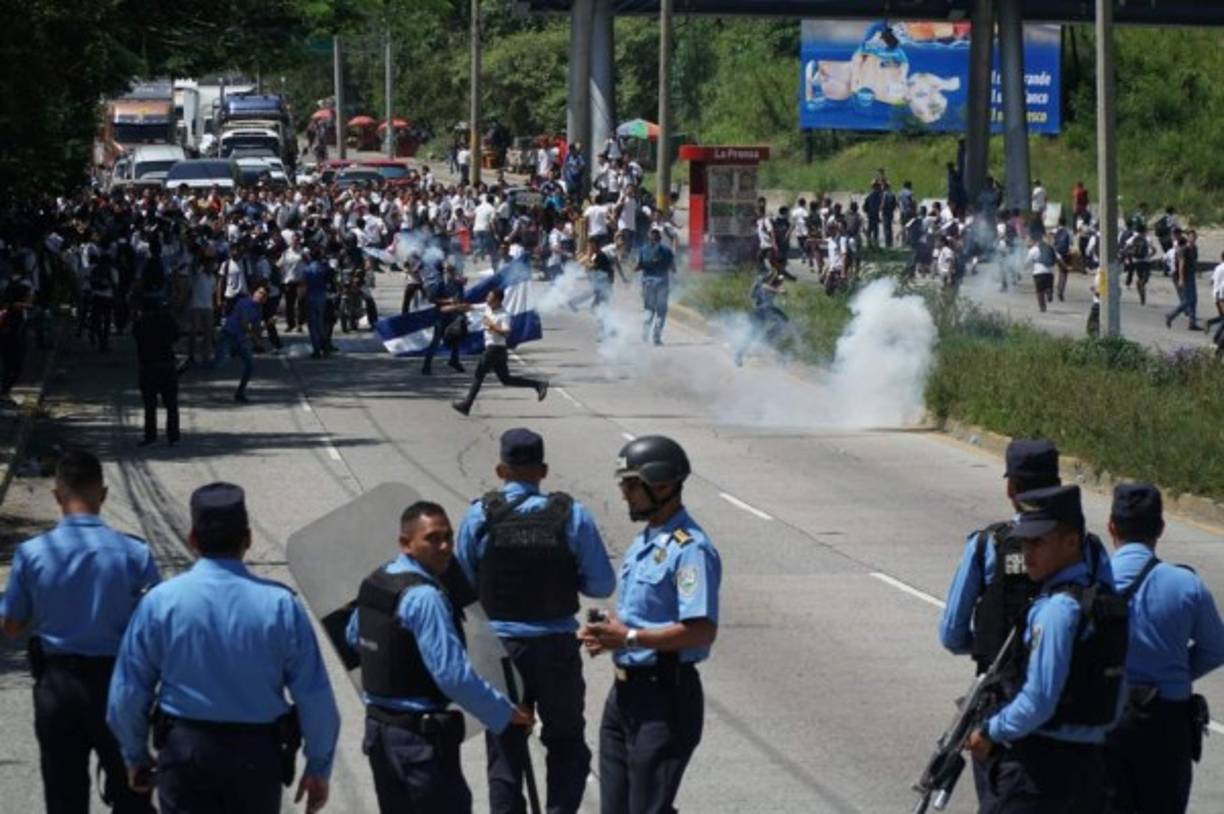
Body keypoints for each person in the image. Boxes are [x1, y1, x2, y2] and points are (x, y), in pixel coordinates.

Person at [107, 482, 339, 814]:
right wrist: (318, 767)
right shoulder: (280, 606)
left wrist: (135, 755)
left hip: (185, 756)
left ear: (192, 540)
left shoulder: (160, 603)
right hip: (256, 760)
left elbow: (127, 692)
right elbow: (315, 697)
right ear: (248, 539)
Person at [455, 428, 615, 814]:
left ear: (500, 469)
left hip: (501, 653)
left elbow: (462, 586)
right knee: (566, 744)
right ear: (543, 470)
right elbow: (602, 583)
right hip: (556, 650)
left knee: (505, 750)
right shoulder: (571, 515)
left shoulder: (480, 515)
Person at [347, 500, 535, 813]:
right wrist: (505, 713)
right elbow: (453, 676)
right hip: (418, 744)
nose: (445, 546)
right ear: (406, 544)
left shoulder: (377, 582)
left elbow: (355, 637)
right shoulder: (425, 597)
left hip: (381, 734)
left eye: (448, 536)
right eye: (433, 538)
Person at [0, 448, 159, 814]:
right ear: (102, 494)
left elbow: (11, 626)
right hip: (119, 686)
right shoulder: (134, 554)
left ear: (56, 496)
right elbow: (155, 627)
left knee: (63, 797)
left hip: (57, 688)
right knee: (132, 790)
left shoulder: (32, 553)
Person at [578, 436, 721, 814]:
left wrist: (626, 638)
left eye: (630, 485)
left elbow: (700, 630)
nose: (625, 495)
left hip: (665, 698)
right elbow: (643, 617)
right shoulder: (646, 541)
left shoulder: (690, 548)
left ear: (661, 485)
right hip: (624, 696)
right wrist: (609, 631)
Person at [963, 484, 1127, 813]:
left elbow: (1038, 700)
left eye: (1038, 542)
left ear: (1071, 541)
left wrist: (990, 730)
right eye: (1024, 542)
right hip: (1090, 768)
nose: (1027, 553)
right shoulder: (1106, 604)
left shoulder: (1056, 610)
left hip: (1038, 772)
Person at [938, 438, 1062, 806]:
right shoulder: (1079, 546)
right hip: (1075, 715)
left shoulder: (989, 543)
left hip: (1003, 706)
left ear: (1011, 489)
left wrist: (990, 643)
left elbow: (952, 634)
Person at [1103, 484, 1224, 814]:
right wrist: (1177, 670)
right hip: (1166, 726)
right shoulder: (1187, 585)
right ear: (1160, 529)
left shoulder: (1092, 583)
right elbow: (1216, 649)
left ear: (1111, 526)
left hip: (1105, 721)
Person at [452, 287, 548, 416]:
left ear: (497, 300)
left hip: (495, 348)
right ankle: (538, 384)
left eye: (490, 298)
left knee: (478, 375)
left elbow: (506, 333)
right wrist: (457, 306)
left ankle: (466, 405)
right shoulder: (487, 307)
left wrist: (492, 326)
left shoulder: (504, 315)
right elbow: (471, 307)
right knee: (506, 379)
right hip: (497, 350)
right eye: (487, 297)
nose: (487, 299)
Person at [132, 294, 180, 446]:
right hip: (167, 365)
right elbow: (176, 336)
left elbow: (137, 337)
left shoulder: (140, 323)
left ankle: (150, 435)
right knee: (171, 404)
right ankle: (173, 436)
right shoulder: (168, 320)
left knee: (149, 405)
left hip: (148, 367)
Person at [213, 282, 267, 402]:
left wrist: (261, 336)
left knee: (250, 364)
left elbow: (256, 328)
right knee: (218, 364)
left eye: (264, 296)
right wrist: (256, 339)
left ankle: (239, 393)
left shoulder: (258, 310)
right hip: (228, 335)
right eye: (260, 293)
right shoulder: (244, 302)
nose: (261, 296)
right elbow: (244, 324)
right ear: (254, 293)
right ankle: (188, 368)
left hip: (239, 339)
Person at [421, 262, 467, 375]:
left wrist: (461, 310)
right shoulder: (440, 284)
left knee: (456, 338)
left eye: (451, 271)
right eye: (447, 271)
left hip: (453, 316)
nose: (449, 274)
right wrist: (448, 301)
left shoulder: (458, 284)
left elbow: (461, 299)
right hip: (441, 316)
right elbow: (432, 299)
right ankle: (426, 365)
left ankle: (454, 360)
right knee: (436, 341)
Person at [734, 271, 788, 367]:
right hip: (760, 311)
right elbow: (764, 286)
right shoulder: (762, 285)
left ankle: (767, 339)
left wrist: (780, 286)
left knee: (783, 321)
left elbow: (777, 283)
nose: (778, 283)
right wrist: (778, 291)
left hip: (766, 311)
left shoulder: (770, 286)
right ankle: (739, 354)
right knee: (752, 335)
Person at [636, 226, 675, 346]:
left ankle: (645, 333)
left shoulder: (643, 250)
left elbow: (638, 267)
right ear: (660, 238)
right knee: (661, 311)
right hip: (662, 283)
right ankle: (656, 338)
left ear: (649, 238)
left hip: (648, 283)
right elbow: (673, 268)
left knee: (649, 309)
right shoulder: (667, 251)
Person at [1165, 230, 1201, 331]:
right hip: (1185, 277)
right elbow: (1181, 265)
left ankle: (1192, 323)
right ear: (1188, 237)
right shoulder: (1183, 249)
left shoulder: (1194, 248)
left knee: (1194, 300)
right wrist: (1181, 279)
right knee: (1188, 300)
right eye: (1191, 237)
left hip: (1191, 275)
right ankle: (1171, 315)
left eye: (1195, 237)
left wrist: (1197, 270)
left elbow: (1194, 261)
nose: (1193, 239)